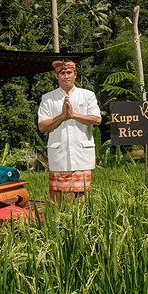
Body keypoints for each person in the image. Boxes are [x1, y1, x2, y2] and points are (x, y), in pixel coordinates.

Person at [37, 59, 102, 203]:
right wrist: (62, 117)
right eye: (62, 73)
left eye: (69, 72)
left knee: (82, 197)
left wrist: (73, 115)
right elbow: (42, 126)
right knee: (57, 197)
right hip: (59, 154)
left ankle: (80, 224)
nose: (66, 76)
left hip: (82, 154)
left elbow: (97, 119)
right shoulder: (48, 98)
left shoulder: (87, 95)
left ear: (75, 75)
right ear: (56, 76)